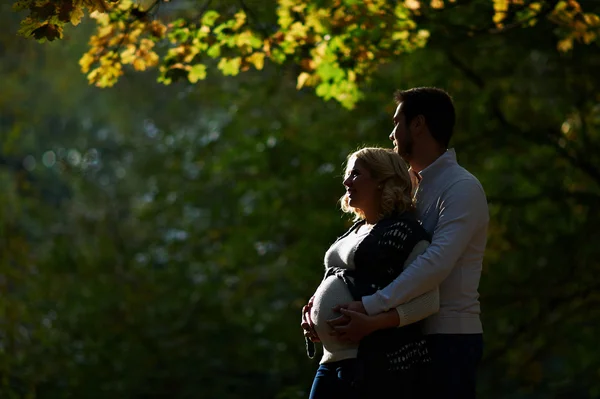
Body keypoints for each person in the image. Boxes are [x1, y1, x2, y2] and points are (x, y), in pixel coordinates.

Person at [324, 87, 490, 399]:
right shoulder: (403, 188)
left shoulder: (462, 187)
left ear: (418, 125)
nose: (391, 134)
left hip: (447, 338)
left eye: (397, 123)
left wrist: (371, 306)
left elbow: (436, 263)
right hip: (400, 337)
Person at [302, 147, 440, 399]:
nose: (346, 181)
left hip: (372, 364)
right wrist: (313, 313)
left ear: (381, 181)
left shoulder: (405, 234)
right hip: (331, 360)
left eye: (356, 174)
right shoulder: (355, 229)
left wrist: (373, 322)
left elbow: (429, 301)